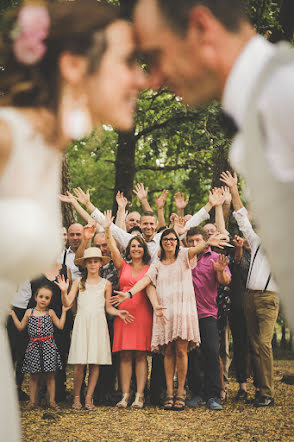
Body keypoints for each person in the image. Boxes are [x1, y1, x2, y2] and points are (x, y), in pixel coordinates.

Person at [0, 1, 146, 436]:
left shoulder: (42, 151)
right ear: (72, 65)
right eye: (125, 62)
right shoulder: (6, 138)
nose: (140, 77)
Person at [134, 0, 294, 330]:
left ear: (201, 27)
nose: (155, 78)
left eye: (155, 55)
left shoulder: (285, 95)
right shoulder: (258, 104)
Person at [112, 228, 228, 410]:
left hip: (182, 311)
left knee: (181, 351)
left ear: (176, 241)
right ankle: (169, 392)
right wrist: (128, 294)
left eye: (173, 239)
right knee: (168, 352)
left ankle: (180, 392)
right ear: (162, 242)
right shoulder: (156, 265)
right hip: (164, 312)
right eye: (166, 239)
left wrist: (208, 243)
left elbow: (196, 249)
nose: (169, 242)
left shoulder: (184, 256)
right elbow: (144, 282)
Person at [220, 170, 279, 407]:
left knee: (263, 344)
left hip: (268, 299)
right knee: (253, 344)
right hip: (248, 297)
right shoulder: (255, 241)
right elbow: (241, 217)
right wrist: (234, 189)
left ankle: (267, 393)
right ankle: (259, 390)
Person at [55, 247, 134, 409]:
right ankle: (77, 397)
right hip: (82, 322)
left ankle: (89, 397)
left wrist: (119, 313)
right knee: (80, 363)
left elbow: (108, 308)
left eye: (95, 261)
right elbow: (68, 303)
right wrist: (64, 291)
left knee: (95, 362)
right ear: (85, 264)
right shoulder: (78, 282)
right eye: (89, 261)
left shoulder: (106, 284)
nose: (92, 264)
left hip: (98, 323)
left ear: (100, 264)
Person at [104, 211, 160, 409]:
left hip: (142, 314)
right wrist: (107, 229)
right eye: (133, 246)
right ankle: (125, 395)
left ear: (144, 250)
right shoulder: (122, 266)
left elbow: (151, 289)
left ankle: (140, 396)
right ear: (129, 249)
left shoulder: (150, 268)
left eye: (139, 246)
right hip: (123, 315)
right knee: (125, 355)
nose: (136, 248)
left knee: (140, 356)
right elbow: (112, 249)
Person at [185, 226, 231, 411]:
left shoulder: (214, 257)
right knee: (190, 354)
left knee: (212, 352)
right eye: (191, 241)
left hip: (208, 313)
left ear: (205, 240)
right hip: (187, 314)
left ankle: (213, 395)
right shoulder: (185, 257)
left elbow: (226, 280)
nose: (194, 244)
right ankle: (196, 393)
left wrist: (219, 271)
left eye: (198, 240)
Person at [10, 285, 68, 410]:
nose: (43, 300)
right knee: (33, 375)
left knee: (50, 375)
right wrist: (13, 314)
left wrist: (64, 311)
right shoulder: (29, 312)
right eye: (41, 296)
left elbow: (61, 326)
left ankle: (51, 401)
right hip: (33, 346)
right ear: (35, 297)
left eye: (47, 298)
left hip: (49, 345)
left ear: (50, 300)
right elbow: (20, 327)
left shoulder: (50, 312)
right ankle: (32, 401)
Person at [28, 262, 72, 403]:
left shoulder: (65, 269)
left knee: (59, 355)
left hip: (59, 317)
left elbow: (68, 297)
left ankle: (57, 394)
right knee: (38, 356)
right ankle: (38, 394)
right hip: (39, 319)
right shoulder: (34, 269)